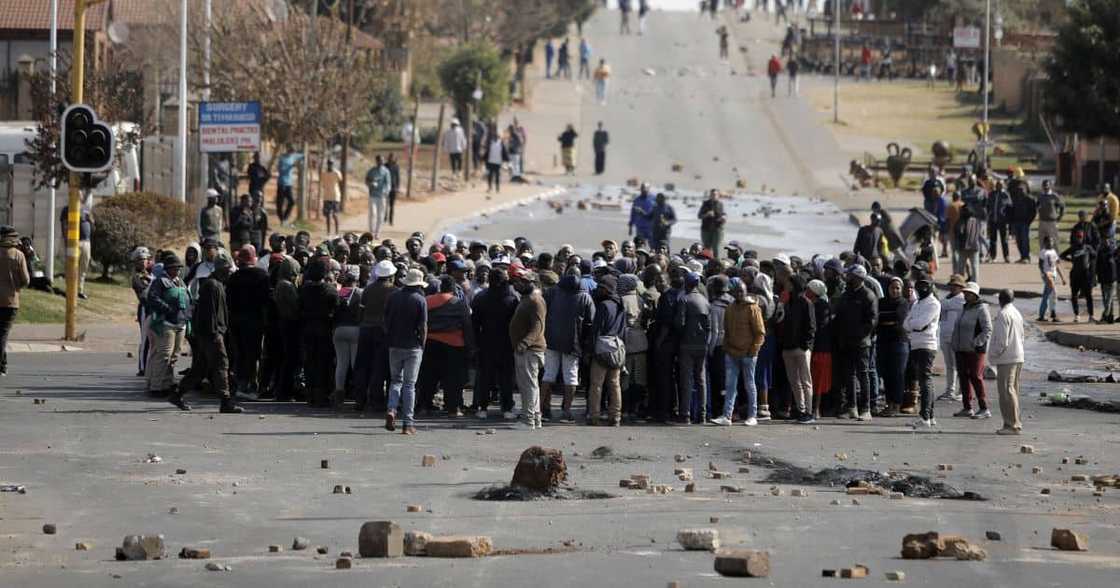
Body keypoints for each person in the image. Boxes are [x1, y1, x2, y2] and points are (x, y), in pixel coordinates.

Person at [170, 257, 243, 414]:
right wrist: (215, 334)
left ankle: (177, 394)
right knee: (221, 365)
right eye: (228, 270)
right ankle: (226, 401)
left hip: (210, 333)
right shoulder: (212, 286)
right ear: (221, 269)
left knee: (200, 368)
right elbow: (209, 314)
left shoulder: (216, 284)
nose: (230, 273)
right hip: (211, 334)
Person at [542, 268, 595, 423]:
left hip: (551, 340)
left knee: (548, 374)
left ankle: (540, 409)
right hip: (573, 343)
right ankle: (566, 412)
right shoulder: (585, 297)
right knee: (571, 377)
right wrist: (586, 345)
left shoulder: (552, 292)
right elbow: (590, 323)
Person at [417, 275, 474, 417]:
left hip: (430, 343)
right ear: (453, 289)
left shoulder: (427, 300)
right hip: (453, 345)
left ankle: (424, 406)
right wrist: (470, 346)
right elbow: (467, 326)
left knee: (428, 376)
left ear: (440, 288)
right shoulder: (459, 303)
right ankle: (452, 409)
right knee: (452, 378)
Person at [713, 278, 764, 425]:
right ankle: (727, 415)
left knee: (750, 384)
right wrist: (727, 348)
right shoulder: (730, 308)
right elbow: (726, 331)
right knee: (730, 385)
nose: (740, 294)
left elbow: (760, 332)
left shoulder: (752, 308)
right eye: (737, 291)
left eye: (742, 291)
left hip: (748, 354)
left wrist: (753, 351)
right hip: (732, 353)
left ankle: (752, 416)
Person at [384, 268, 428, 435]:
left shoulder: (393, 296)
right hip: (413, 346)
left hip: (394, 344)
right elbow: (423, 326)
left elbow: (386, 320)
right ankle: (407, 423)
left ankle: (392, 409)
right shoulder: (420, 300)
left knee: (396, 380)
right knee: (410, 385)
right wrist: (422, 345)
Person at [472, 268, 519, 419]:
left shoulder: (480, 297)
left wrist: (476, 343)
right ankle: (506, 408)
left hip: (486, 342)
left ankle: (483, 408)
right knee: (506, 378)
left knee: (485, 377)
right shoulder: (512, 299)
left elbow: (474, 323)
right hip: (506, 344)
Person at [834, 265, 877, 421]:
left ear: (858, 277)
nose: (847, 278)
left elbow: (871, 322)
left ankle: (866, 409)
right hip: (846, 342)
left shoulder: (868, 295)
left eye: (850, 275)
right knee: (849, 375)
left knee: (863, 374)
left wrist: (857, 335)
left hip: (861, 343)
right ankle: (852, 407)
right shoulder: (846, 295)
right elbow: (839, 317)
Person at [226, 246, 269, 400]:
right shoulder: (262, 275)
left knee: (240, 353)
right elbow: (266, 301)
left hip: (236, 322)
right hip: (254, 322)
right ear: (253, 258)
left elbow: (228, 302)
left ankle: (239, 384)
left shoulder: (233, 278)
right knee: (253, 354)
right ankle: (251, 385)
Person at [353, 260, 397, 412]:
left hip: (365, 329)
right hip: (382, 331)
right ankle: (376, 401)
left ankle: (359, 400)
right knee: (379, 367)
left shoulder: (368, 289)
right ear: (391, 275)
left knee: (363, 366)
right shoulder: (394, 291)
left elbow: (361, 311)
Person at [145, 253, 189, 397]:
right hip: (166, 323)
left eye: (179, 268)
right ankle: (156, 386)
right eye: (174, 268)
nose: (177, 270)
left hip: (180, 323)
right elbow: (152, 298)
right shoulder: (160, 281)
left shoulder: (181, 282)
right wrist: (167, 309)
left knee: (174, 356)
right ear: (168, 268)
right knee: (163, 355)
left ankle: (167, 383)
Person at [509, 267, 547, 429]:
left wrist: (524, 343)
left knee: (528, 386)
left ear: (532, 283)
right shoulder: (527, 298)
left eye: (524, 281)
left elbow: (538, 326)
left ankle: (527, 419)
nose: (519, 284)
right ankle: (535, 417)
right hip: (527, 349)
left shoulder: (535, 300)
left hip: (529, 350)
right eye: (519, 281)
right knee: (531, 385)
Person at [587, 273, 626, 426]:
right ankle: (615, 416)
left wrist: (590, 350)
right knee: (614, 384)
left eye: (602, 287)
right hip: (616, 347)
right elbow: (623, 330)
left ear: (608, 289)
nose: (599, 290)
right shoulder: (620, 304)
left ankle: (594, 415)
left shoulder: (603, 305)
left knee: (596, 384)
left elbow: (596, 330)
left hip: (602, 348)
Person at [299, 260, 339, 408]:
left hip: (308, 329)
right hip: (325, 330)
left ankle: (311, 394)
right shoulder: (330, 290)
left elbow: (300, 307)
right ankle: (322, 394)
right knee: (324, 362)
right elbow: (337, 309)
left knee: (310, 362)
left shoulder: (304, 290)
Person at [904, 274, 941, 428]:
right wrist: (913, 325)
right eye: (919, 285)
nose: (922, 288)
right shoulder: (917, 303)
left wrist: (913, 325)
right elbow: (906, 323)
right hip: (915, 344)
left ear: (931, 286)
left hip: (927, 345)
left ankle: (925, 416)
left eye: (925, 285)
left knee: (925, 380)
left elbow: (920, 324)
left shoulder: (934, 303)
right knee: (924, 380)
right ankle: (930, 417)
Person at [952, 281, 991, 419]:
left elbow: (987, 330)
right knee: (963, 376)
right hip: (960, 348)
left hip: (975, 350)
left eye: (969, 293)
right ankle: (967, 407)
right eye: (965, 293)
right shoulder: (964, 307)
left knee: (976, 376)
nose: (966, 295)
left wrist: (975, 343)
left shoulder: (982, 308)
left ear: (975, 295)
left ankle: (984, 407)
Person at [675, 272, 710, 424]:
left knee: (687, 379)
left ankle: (685, 414)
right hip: (702, 345)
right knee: (701, 380)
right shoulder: (705, 300)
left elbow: (679, 324)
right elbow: (709, 326)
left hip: (687, 344)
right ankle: (702, 414)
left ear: (687, 284)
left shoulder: (684, 299)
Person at [780, 275, 816, 423]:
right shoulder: (788, 302)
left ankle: (808, 411)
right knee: (794, 381)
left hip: (801, 348)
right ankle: (800, 410)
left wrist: (805, 346)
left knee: (805, 380)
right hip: (788, 348)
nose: (786, 284)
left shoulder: (805, 302)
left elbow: (811, 326)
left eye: (789, 282)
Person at [989, 289, 1024, 435]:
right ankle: (1014, 423)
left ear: (1000, 300)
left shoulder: (1003, 314)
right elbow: (1022, 336)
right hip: (1017, 355)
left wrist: (992, 355)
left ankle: (1012, 425)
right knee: (1012, 390)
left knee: (1006, 391)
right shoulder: (1016, 312)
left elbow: (1002, 341)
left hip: (1007, 358)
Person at [876, 277, 909, 417]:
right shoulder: (881, 302)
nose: (894, 291)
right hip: (883, 342)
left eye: (897, 288)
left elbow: (899, 318)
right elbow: (876, 318)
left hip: (898, 342)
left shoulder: (903, 302)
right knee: (886, 374)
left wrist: (883, 317)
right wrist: (885, 319)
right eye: (892, 288)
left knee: (897, 374)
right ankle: (889, 403)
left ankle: (896, 404)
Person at [332, 265, 363, 409]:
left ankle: (339, 393)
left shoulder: (340, 292)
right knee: (355, 364)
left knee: (341, 363)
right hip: (355, 330)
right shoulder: (360, 293)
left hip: (339, 330)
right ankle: (358, 396)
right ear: (356, 280)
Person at [0, 226, 30, 376]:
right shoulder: (18, 255)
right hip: (11, 301)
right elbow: (26, 280)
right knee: (3, 334)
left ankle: (3, 365)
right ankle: (2, 366)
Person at [60, 194, 94, 299]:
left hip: (86, 242)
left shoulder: (85, 210)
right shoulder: (67, 209)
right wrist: (67, 241)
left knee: (83, 267)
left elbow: (92, 225)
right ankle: (69, 290)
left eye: (80, 196)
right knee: (71, 267)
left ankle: (79, 290)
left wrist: (91, 220)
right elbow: (64, 226)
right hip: (74, 242)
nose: (79, 198)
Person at [1060, 230, 1096, 323]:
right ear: (1075, 237)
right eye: (1078, 237)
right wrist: (1071, 260)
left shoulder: (1088, 248)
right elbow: (1062, 255)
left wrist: (1089, 265)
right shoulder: (1073, 248)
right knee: (1074, 296)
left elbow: (1094, 256)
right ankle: (1076, 315)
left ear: (1083, 237)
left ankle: (1091, 315)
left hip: (1086, 275)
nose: (1079, 238)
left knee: (1088, 296)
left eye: (1080, 237)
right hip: (1075, 275)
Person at [129, 247, 153, 376]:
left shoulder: (151, 274)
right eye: (140, 260)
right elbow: (144, 293)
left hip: (153, 307)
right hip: (144, 307)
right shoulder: (136, 277)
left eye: (145, 259)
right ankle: (142, 367)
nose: (143, 262)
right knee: (145, 339)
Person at [1008, 172, 1036, 263]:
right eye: (1018, 190)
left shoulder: (1030, 200)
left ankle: (1026, 257)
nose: (1020, 191)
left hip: (1025, 223)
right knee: (1019, 241)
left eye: (1021, 190)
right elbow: (1011, 211)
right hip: (1016, 222)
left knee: (1025, 241)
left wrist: (1029, 221)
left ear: (1025, 190)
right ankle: (1022, 256)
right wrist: (1011, 223)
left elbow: (1033, 212)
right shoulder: (1015, 200)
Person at [1038, 236, 1064, 322]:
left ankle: (1042, 315)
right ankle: (1053, 313)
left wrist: (1062, 277)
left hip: (1053, 275)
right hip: (1047, 275)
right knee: (1053, 293)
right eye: (1049, 241)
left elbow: (1056, 265)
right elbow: (1040, 264)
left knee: (1047, 294)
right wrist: (1044, 274)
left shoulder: (1053, 252)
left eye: (1052, 241)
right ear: (1045, 242)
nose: (1051, 243)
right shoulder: (1043, 252)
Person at [986, 180, 1012, 263]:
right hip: (993, 219)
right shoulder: (991, 194)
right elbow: (988, 205)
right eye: (997, 185)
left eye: (1000, 185)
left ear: (1003, 185)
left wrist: (1007, 219)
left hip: (1002, 221)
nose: (998, 186)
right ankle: (993, 256)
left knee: (1004, 239)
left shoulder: (1005, 195)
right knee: (992, 240)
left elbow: (1010, 207)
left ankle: (1006, 256)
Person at [365, 155, 391, 239]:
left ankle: (377, 233)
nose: (380, 162)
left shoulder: (386, 171)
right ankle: (371, 232)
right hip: (373, 195)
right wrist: (370, 184)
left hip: (382, 196)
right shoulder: (372, 171)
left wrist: (385, 191)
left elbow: (388, 184)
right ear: (376, 161)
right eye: (379, 161)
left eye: (382, 161)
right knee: (373, 213)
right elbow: (366, 180)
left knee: (380, 215)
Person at [275, 148, 303, 225]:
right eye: (290, 152)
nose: (291, 154)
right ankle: (281, 219)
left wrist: (303, 156)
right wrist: (291, 166)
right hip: (281, 183)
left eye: (293, 152)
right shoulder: (282, 159)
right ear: (287, 151)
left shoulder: (293, 156)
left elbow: (302, 155)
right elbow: (281, 170)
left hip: (289, 184)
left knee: (292, 202)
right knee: (280, 203)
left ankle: (285, 218)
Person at [1036, 180, 1064, 252]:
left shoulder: (1054, 196)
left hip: (1052, 221)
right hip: (1042, 221)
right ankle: (1043, 256)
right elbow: (1037, 206)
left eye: (1047, 185)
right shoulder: (1040, 196)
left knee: (1054, 239)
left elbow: (1062, 206)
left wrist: (1060, 216)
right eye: (1044, 185)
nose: (1046, 187)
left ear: (1050, 186)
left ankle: (1056, 256)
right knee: (1041, 240)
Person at [698, 189, 727, 254]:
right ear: (710, 195)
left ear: (718, 195)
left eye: (715, 194)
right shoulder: (705, 204)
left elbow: (724, 214)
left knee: (716, 248)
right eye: (712, 194)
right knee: (706, 248)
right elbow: (699, 216)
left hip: (718, 229)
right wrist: (706, 214)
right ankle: (707, 262)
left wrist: (724, 218)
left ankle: (716, 262)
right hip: (706, 229)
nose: (713, 196)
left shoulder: (720, 204)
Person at [1098, 237, 1117, 324]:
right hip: (1104, 279)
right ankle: (1110, 317)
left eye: (1108, 241)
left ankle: (1105, 317)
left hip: (1112, 280)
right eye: (1105, 241)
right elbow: (1098, 267)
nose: (1106, 242)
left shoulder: (1113, 252)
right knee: (1109, 299)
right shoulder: (1102, 252)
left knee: (1108, 299)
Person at [321, 160, 343, 236]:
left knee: (335, 214)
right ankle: (328, 233)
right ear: (327, 164)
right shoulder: (324, 173)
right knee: (328, 215)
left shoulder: (337, 173)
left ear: (333, 164)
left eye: (331, 164)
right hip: (326, 196)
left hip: (335, 196)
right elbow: (323, 183)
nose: (330, 165)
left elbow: (340, 181)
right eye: (329, 164)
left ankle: (336, 233)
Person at [484, 125, 507, 193]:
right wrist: (483, 158)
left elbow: (504, 152)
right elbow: (487, 152)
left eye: (497, 136)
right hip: (491, 161)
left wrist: (506, 160)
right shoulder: (491, 143)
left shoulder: (501, 143)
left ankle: (497, 188)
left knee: (496, 176)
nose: (495, 137)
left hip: (497, 162)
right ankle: (490, 187)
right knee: (490, 175)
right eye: (495, 136)